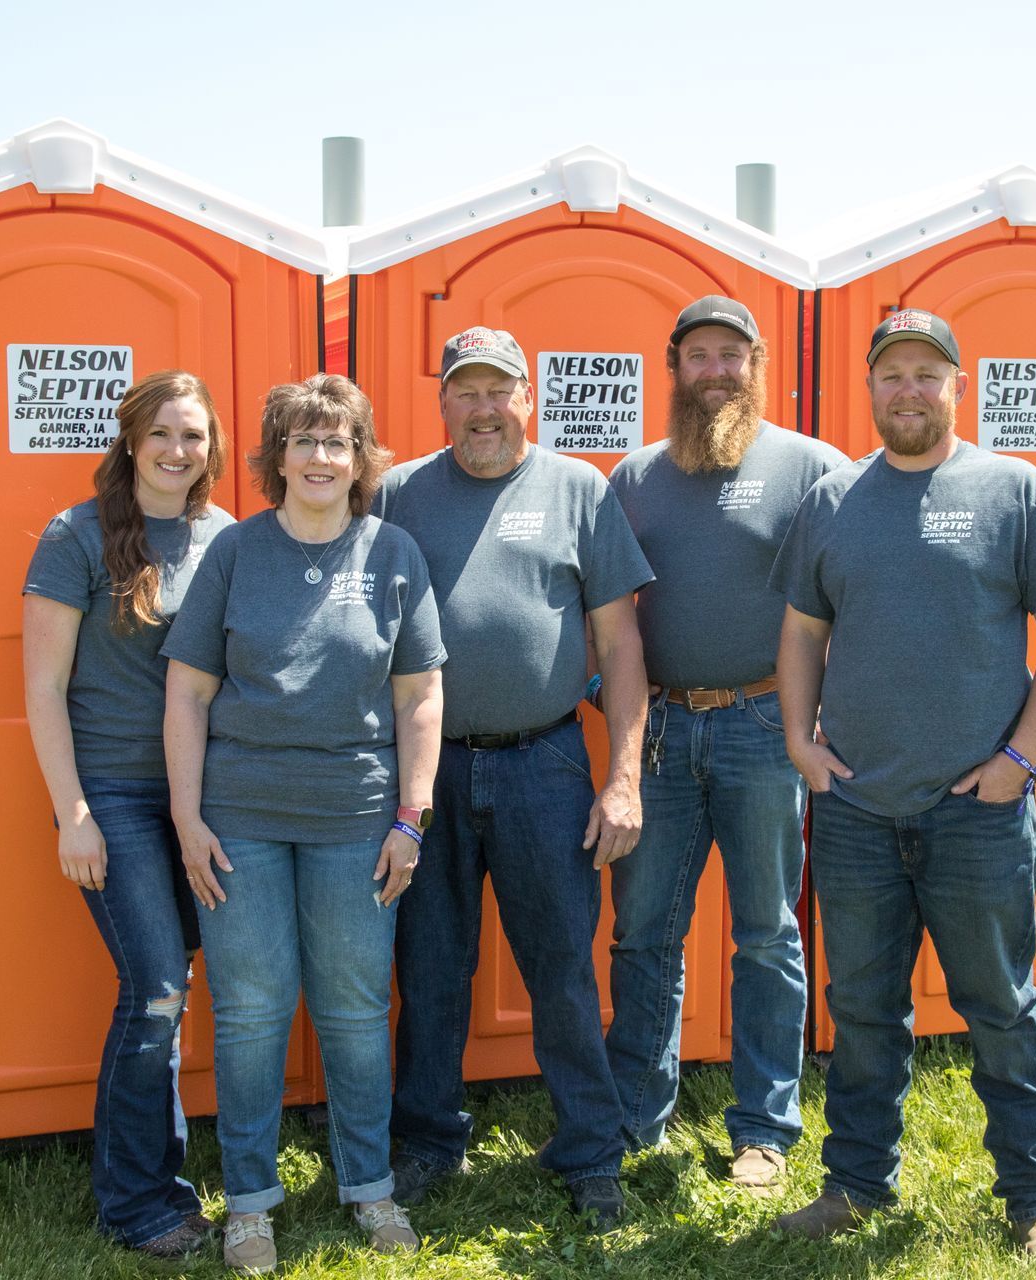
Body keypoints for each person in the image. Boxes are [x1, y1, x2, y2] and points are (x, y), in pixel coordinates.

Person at [769, 309, 1036, 1265]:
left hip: (976, 815)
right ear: (869, 388)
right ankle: (856, 1185)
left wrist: (1020, 760)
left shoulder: (1015, 490)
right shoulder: (833, 500)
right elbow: (800, 633)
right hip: (860, 810)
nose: (909, 389)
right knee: (863, 1010)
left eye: (927, 373)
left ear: (959, 385)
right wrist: (799, 740)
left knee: (999, 1006)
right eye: (892, 374)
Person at [161, 374, 446, 1274]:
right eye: (304, 440)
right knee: (249, 1011)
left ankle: (369, 1185)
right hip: (238, 821)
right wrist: (185, 818)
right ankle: (249, 1204)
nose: (321, 457)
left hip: (359, 820)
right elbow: (188, 694)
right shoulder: (236, 554)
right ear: (275, 456)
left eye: (339, 442)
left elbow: (421, 695)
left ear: (361, 459)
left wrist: (412, 815)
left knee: (357, 1009)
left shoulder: (393, 551)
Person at [375, 326, 654, 1227]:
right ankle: (424, 1141)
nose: (483, 409)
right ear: (442, 401)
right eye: (465, 392)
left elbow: (618, 641)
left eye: (500, 390)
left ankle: (590, 1152)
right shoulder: (399, 492)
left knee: (562, 966)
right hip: (429, 773)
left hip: (547, 761)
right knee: (430, 964)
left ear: (527, 396)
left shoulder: (579, 488)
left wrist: (623, 780)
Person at [604, 296, 847, 1192]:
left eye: (729, 355)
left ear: (757, 363)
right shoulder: (633, 478)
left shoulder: (815, 470)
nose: (713, 370)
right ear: (673, 366)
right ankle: (636, 1117)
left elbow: (852, 596)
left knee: (766, 936)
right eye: (697, 355)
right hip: (662, 732)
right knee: (642, 934)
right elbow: (605, 613)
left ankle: (764, 1130)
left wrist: (818, 714)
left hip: (761, 729)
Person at [21, 369, 236, 1259]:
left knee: (176, 989)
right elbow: (42, 686)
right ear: (131, 441)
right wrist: (73, 812)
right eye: (162, 434)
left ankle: (156, 1167)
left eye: (194, 435)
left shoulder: (226, 536)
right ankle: (137, 1199)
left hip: (208, 799)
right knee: (155, 989)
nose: (178, 451)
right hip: (113, 796)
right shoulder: (75, 536)